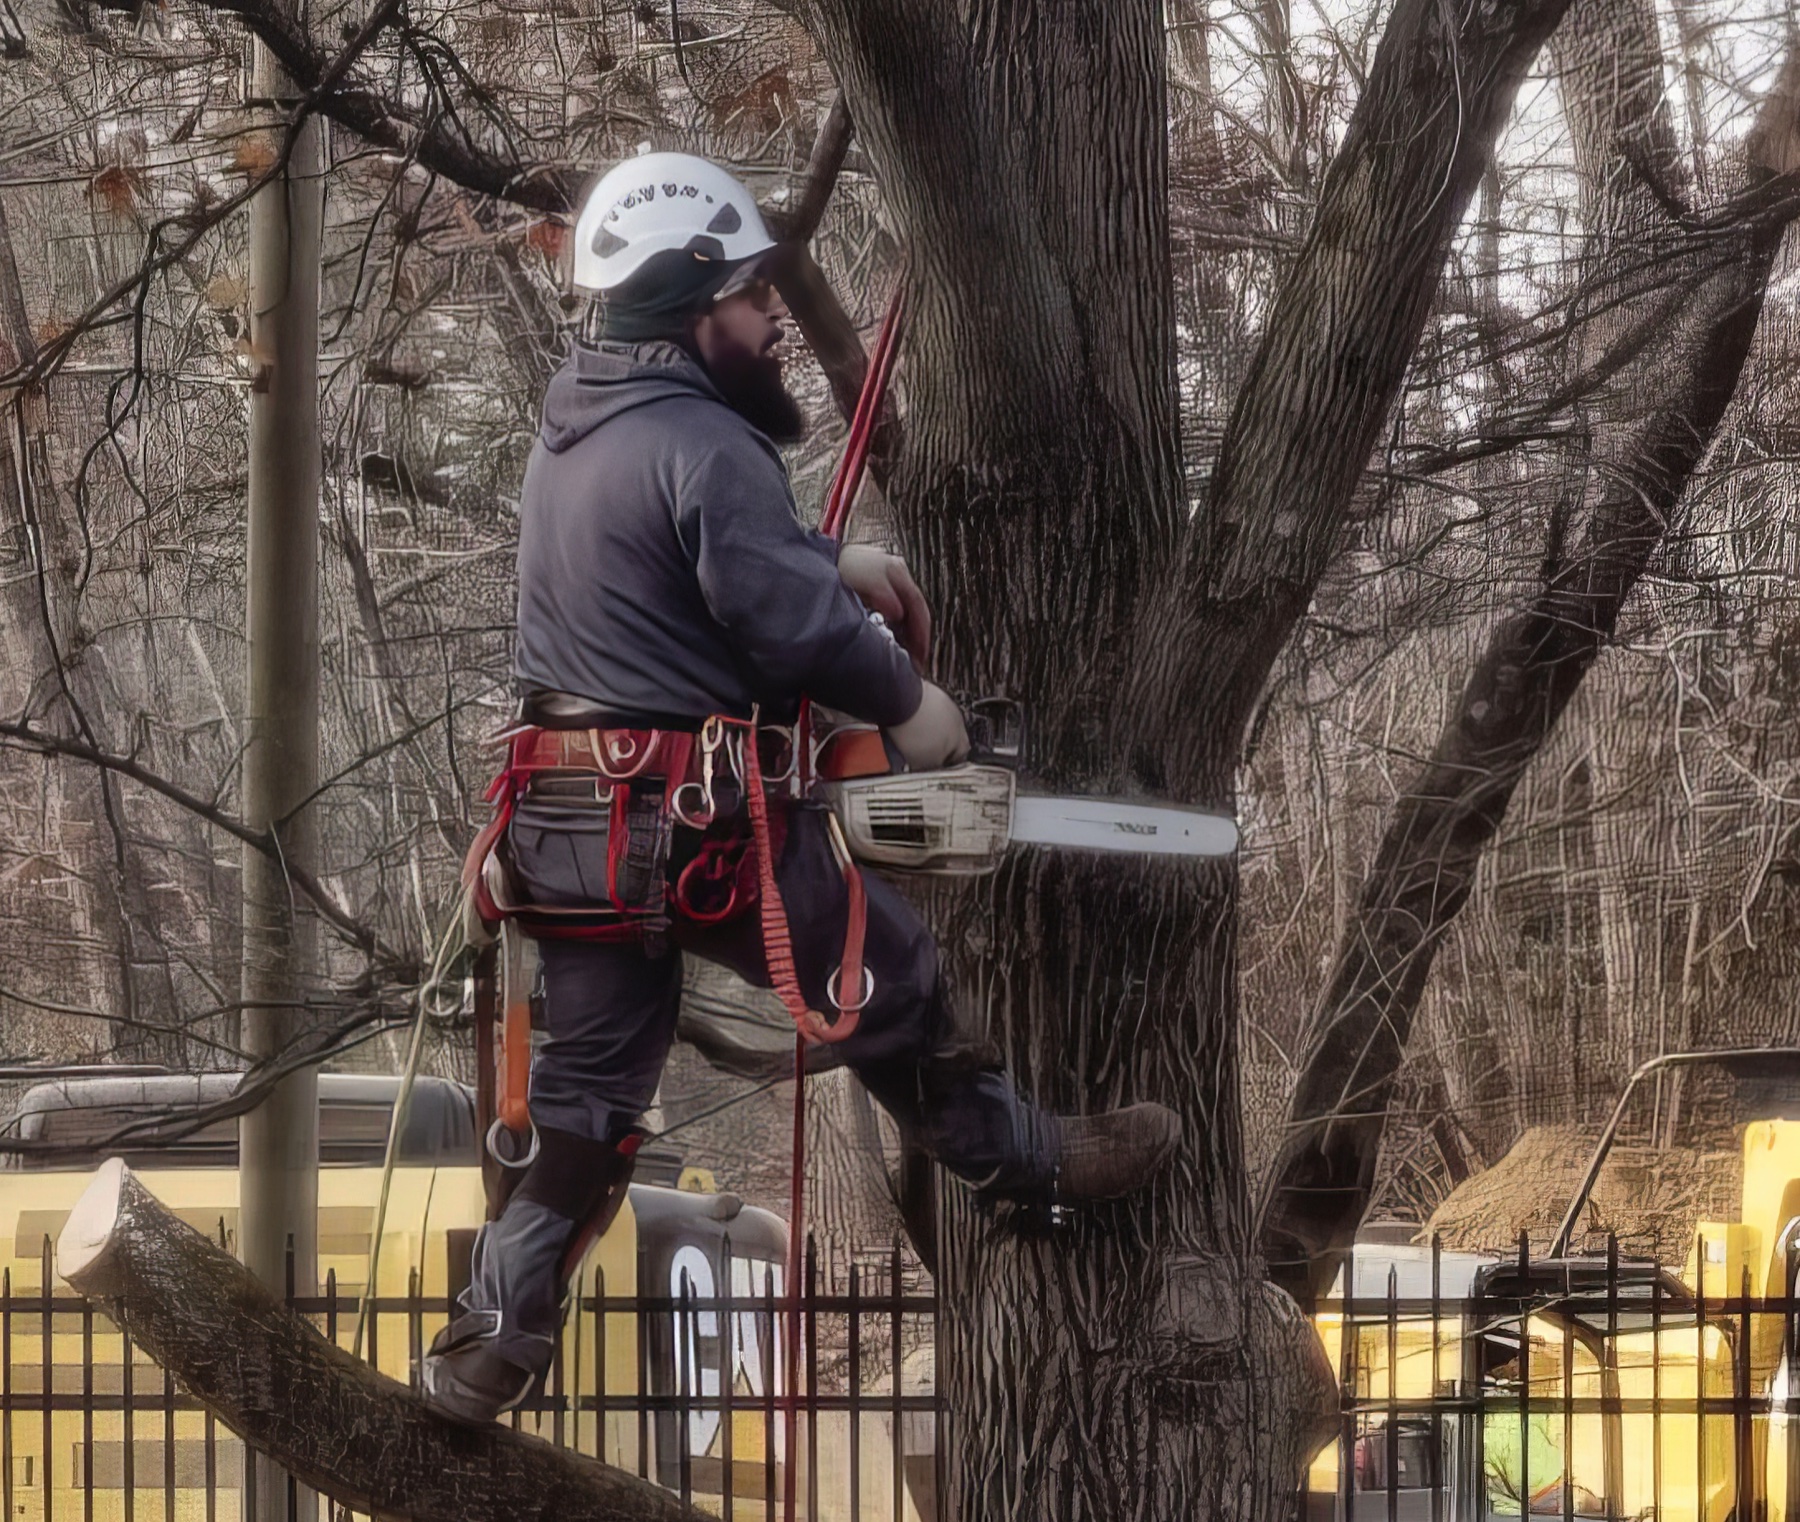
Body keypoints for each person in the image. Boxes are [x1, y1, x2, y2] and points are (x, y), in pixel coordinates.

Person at [421, 151, 1182, 1425]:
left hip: (567, 833)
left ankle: (488, 1347)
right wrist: (906, 699)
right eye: (747, 292)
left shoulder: (582, 430)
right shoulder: (706, 440)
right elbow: (782, 629)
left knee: (588, 1103)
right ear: (686, 302)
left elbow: (685, 566)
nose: (770, 315)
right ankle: (1030, 1168)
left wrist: (830, 554)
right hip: (700, 827)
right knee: (889, 984)